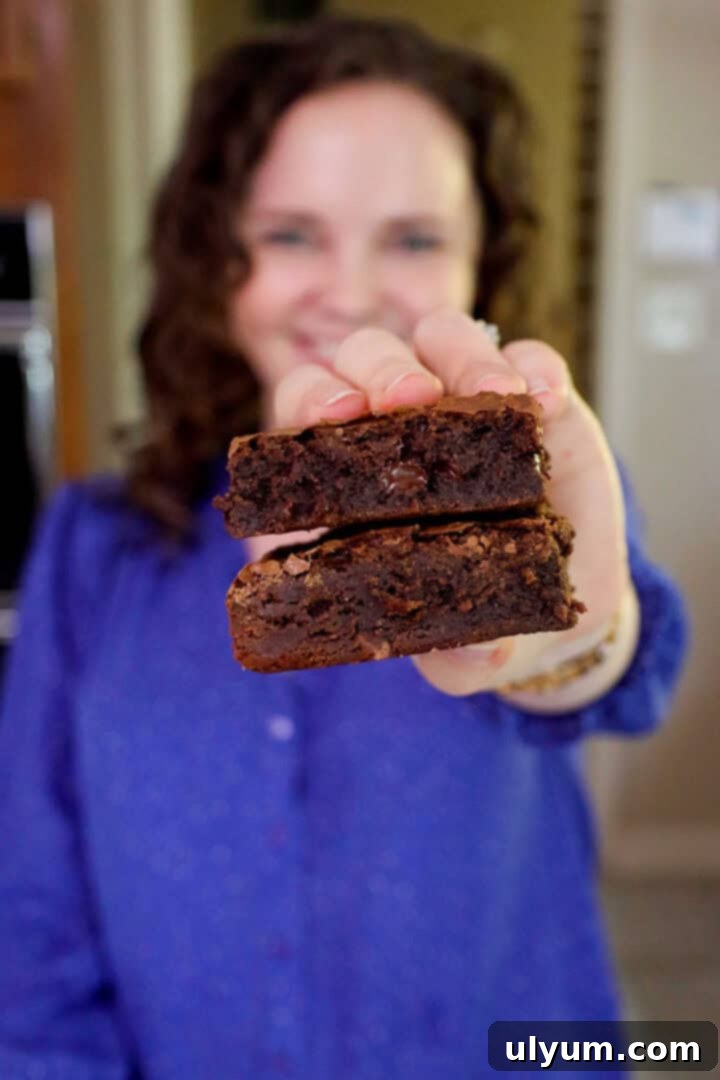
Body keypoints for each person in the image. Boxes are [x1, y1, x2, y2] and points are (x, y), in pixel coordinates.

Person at [0, 15, 687, 1079]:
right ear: (217, 259)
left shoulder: (541, 494)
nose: (354, 289)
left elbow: (617, 668)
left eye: (414, 239)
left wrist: (563, 645)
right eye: (290, 234)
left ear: (482, 262)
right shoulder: (94, 551)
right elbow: (30, 919)